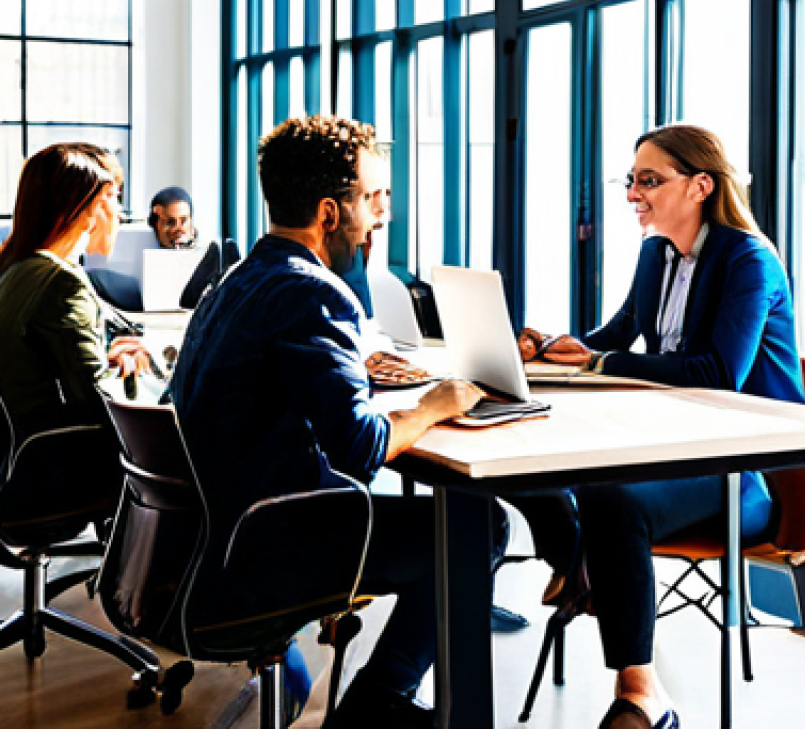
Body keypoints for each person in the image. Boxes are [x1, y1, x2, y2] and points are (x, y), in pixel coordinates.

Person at [168, 115, 484, 728]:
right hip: (259, 551)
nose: (379, 217)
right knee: (478, 526)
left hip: (198, 545)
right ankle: (376, 706)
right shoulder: (311, 290)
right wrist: (434, 404)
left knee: (437, 522)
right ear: (330, 214)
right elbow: (360, 447)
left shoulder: (236, 281)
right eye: (369, 199)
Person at [519, 123, 805, 729]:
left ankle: (639, 690)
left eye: (648, 181)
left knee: (611, 500)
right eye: (632, 180)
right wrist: (548, 346)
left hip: (744, 472)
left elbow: (718, 370)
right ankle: (579, 561)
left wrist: (600, 362)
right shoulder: (656, 253)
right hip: (670, 448)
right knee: (526, 465)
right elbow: (617, 334)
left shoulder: (748, 260)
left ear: (701, 185)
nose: (632, 195)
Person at [0, 143, 151, 481]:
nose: (118, 212)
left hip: (18, 468)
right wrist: (127, 374)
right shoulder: (62, 281)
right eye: (109, 198)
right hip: (51, 475)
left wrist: (102, 360)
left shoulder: (16, 269)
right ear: (80, 209)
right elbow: (103, 410)